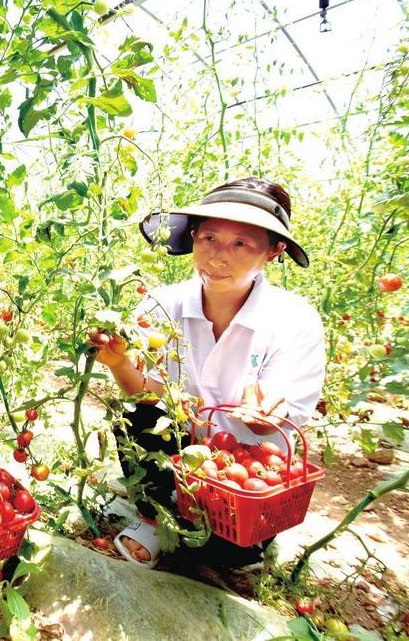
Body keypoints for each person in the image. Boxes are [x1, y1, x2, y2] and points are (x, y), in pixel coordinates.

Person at [90, 177, 325, 568]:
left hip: (240, 474)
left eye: (241, 244)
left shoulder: (294, 320)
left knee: (223, 555)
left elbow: (275, 423)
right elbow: (145, 393)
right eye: (209, 238)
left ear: (273, 251)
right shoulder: (160, 306)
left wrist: (265, 416)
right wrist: (119, 364)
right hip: (178, 453)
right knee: (131, 414)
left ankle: (231, 537)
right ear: (193, 237)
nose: (218, 257)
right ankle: (153, 516)